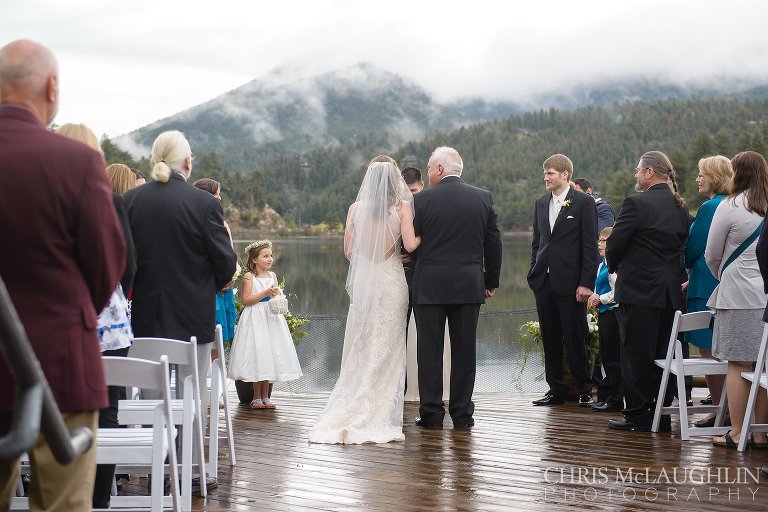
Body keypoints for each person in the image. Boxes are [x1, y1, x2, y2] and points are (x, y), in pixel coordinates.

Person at [0, 39, 126, 511]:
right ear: (52, 87)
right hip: (61, 365)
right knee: (62, 504)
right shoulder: (74, 162)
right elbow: (105, 268)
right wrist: (62, 317)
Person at [123, 130, 236, 489]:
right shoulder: (204, 204)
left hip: (147, 315)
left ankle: (160, 468)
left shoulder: (131, 201)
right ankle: (188, 473)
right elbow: (225, 263)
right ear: (187, 163)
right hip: (193, 317)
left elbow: (125, 261)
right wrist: (215, 283)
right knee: (193, 394)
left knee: (155, 396)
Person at [309, 159, 420, 443]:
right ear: (394, 179)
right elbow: (409, 245)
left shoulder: (355, 209)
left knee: (366, 339)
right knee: (390, 344)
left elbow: (349, 251)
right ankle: (380, 406)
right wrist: (418, 243)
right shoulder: (402, 207)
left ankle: (357, 397)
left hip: (367, 283)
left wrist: (368, 258)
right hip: (392, 279)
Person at [56, 124, 137, 508]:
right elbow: (126, 263)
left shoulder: (39, 196)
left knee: (53, 411)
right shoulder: (108, 200)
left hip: (51, 322)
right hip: (107, 325)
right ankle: (99, 500)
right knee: (106, 413)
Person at [412, 146, 501, 429]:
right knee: (464, 351)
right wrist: (490, 281)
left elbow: (410, 244)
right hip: (467, 286)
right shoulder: (482, 198)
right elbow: (493, 244)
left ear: (439, 168)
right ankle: (462, 415)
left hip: (429, 287)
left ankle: (432, 415)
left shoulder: (421, 200)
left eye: (429, 168)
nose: (428, 173)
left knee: (429, 352)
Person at [605, 151, 690, 432]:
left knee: (635, 355)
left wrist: (615, 267)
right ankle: (661, 414)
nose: (635, 175)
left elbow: (615, 243)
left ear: (649, 172)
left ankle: (639, 415)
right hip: (670, 292)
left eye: (638, 170)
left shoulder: (636, 203)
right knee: (662, 355)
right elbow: (682, 247)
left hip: (639, 290)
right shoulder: (680, 206)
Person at [707, 151, 768, 449]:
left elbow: (712, 254)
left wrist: (722, 275)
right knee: (763, 366)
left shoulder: (729, 206)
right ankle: (759, 433)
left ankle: (736, 432)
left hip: (737, 296)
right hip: (765, 296)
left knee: (737, 364)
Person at [528, 154, 598, 407]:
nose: (546, 178)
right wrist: (533, 269)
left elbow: (590, 246)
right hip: (543, 281)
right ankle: (555, 389)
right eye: (545, 173)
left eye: (550, 173)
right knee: (550, 337)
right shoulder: (540, 202)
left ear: (565, 174)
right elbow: (538, 242)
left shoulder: (583, 202)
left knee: (575, 335)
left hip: (572, 282)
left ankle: (584, 389)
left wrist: (586, 283)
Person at [684, 156, 732, 428]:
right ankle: (727, 409)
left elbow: (694, 249)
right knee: (725, 352)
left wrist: (683, 266)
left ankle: (721, 410)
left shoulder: (710, 207)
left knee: (709, 353)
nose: (697, 179)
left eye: (701, 174)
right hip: (722, 284)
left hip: (705, 286)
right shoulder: (735, 204)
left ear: (713, 176)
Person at [228, 240, 302, 408]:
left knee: (269, 353)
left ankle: (266, 397)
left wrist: (276, 294)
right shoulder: (249, 276)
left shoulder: (273, 276)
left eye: (271, 256)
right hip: (255, 318)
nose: (270, 259)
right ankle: (256, 397)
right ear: (254, 259)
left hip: (270, 318)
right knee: (257, 353)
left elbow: (273, 297)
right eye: (265, 256)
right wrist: (265, 293)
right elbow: (246, 300)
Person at [193, 178, 237, 346]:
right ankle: (203, 371)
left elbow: (229, 254)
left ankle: (215, 371)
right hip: (206, 287)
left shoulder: (223, 224)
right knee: (205, 337)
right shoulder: (193, 222)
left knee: (218, 341)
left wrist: (231, 276)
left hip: (223, 287)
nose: (219, 198)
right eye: (217, 194)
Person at [587, 227, 622, 412]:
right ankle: (608, 396)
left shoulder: (613, 265)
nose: (599, 244)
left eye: (603, 240)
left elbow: (618, 291)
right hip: (604, 314)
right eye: (599, 240)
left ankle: (616, 399)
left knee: (614, 358)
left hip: (613, 314)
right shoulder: (603, 263)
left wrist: (600, 298)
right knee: (607, 357)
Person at [401, 166, 424, 327]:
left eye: (413, 191)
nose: (410, 196)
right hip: (399, 274)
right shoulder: (397, 207)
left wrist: (415, 256)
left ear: (422, 185)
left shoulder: (430, 205)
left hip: (425, 275)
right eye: (406, 191)